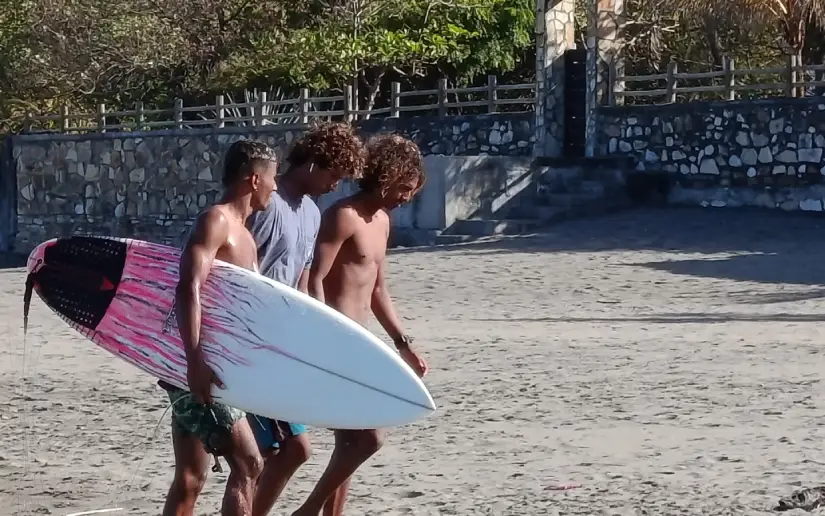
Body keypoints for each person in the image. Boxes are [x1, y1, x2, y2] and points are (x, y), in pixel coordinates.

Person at [292, 134, 430, 516]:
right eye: (403, 188)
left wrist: (403, 343)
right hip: (335, 340)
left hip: (361, 342)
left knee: (351, 441)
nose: (406, 197)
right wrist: (323, 333)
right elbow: (314, 277)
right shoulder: (343, 215)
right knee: (368, 438)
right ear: (386, 175)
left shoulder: (382, 221)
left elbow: (378, 288)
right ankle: (308, 510)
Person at [244, 122, 367, 516]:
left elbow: (303, 280)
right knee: (285, 450)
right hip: (252, 343)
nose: (336, 186)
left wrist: (320, 333)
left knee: (277, 452)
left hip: (285, 344)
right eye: (334, 175)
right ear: (313, 164)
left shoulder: (311, 213)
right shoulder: (265, 204)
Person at [159, 139, 278, 516]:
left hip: (218, 368)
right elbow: (187, 285)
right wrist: (194, 360)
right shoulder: (217, 221)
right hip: (200, 368)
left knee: (191, 476)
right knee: (249, 463)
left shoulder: (246, 235)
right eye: (273, 180)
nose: (276, 188)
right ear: (255, 179)